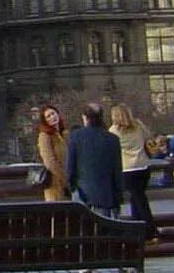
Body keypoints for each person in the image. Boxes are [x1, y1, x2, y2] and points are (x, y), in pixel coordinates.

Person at [66, 103, 124, 219]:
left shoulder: (75, 137)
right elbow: (117, 170)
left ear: (85, 117)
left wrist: (71, 186)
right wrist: (118, 196)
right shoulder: (113, 139)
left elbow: (70, 166)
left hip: (81, 192)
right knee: (105, 228)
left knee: (82, 227)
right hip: (106, 194)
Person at [110, 105, 159, 240]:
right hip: (143, 167)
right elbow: (149, 138)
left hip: (127, 169)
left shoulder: (114, 131)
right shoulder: (138, 125)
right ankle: (138, 228)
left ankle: (151, 230)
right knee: (136, 198)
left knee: (139, 200)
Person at [36, 106, 71, 201]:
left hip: (71, 182)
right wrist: (65, 178)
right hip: (55, 184)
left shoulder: (65, 134)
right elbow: (50, 162)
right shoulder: (44, 136)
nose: (52, 117)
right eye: (48, 116)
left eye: (53, 113)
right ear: (45, 121)